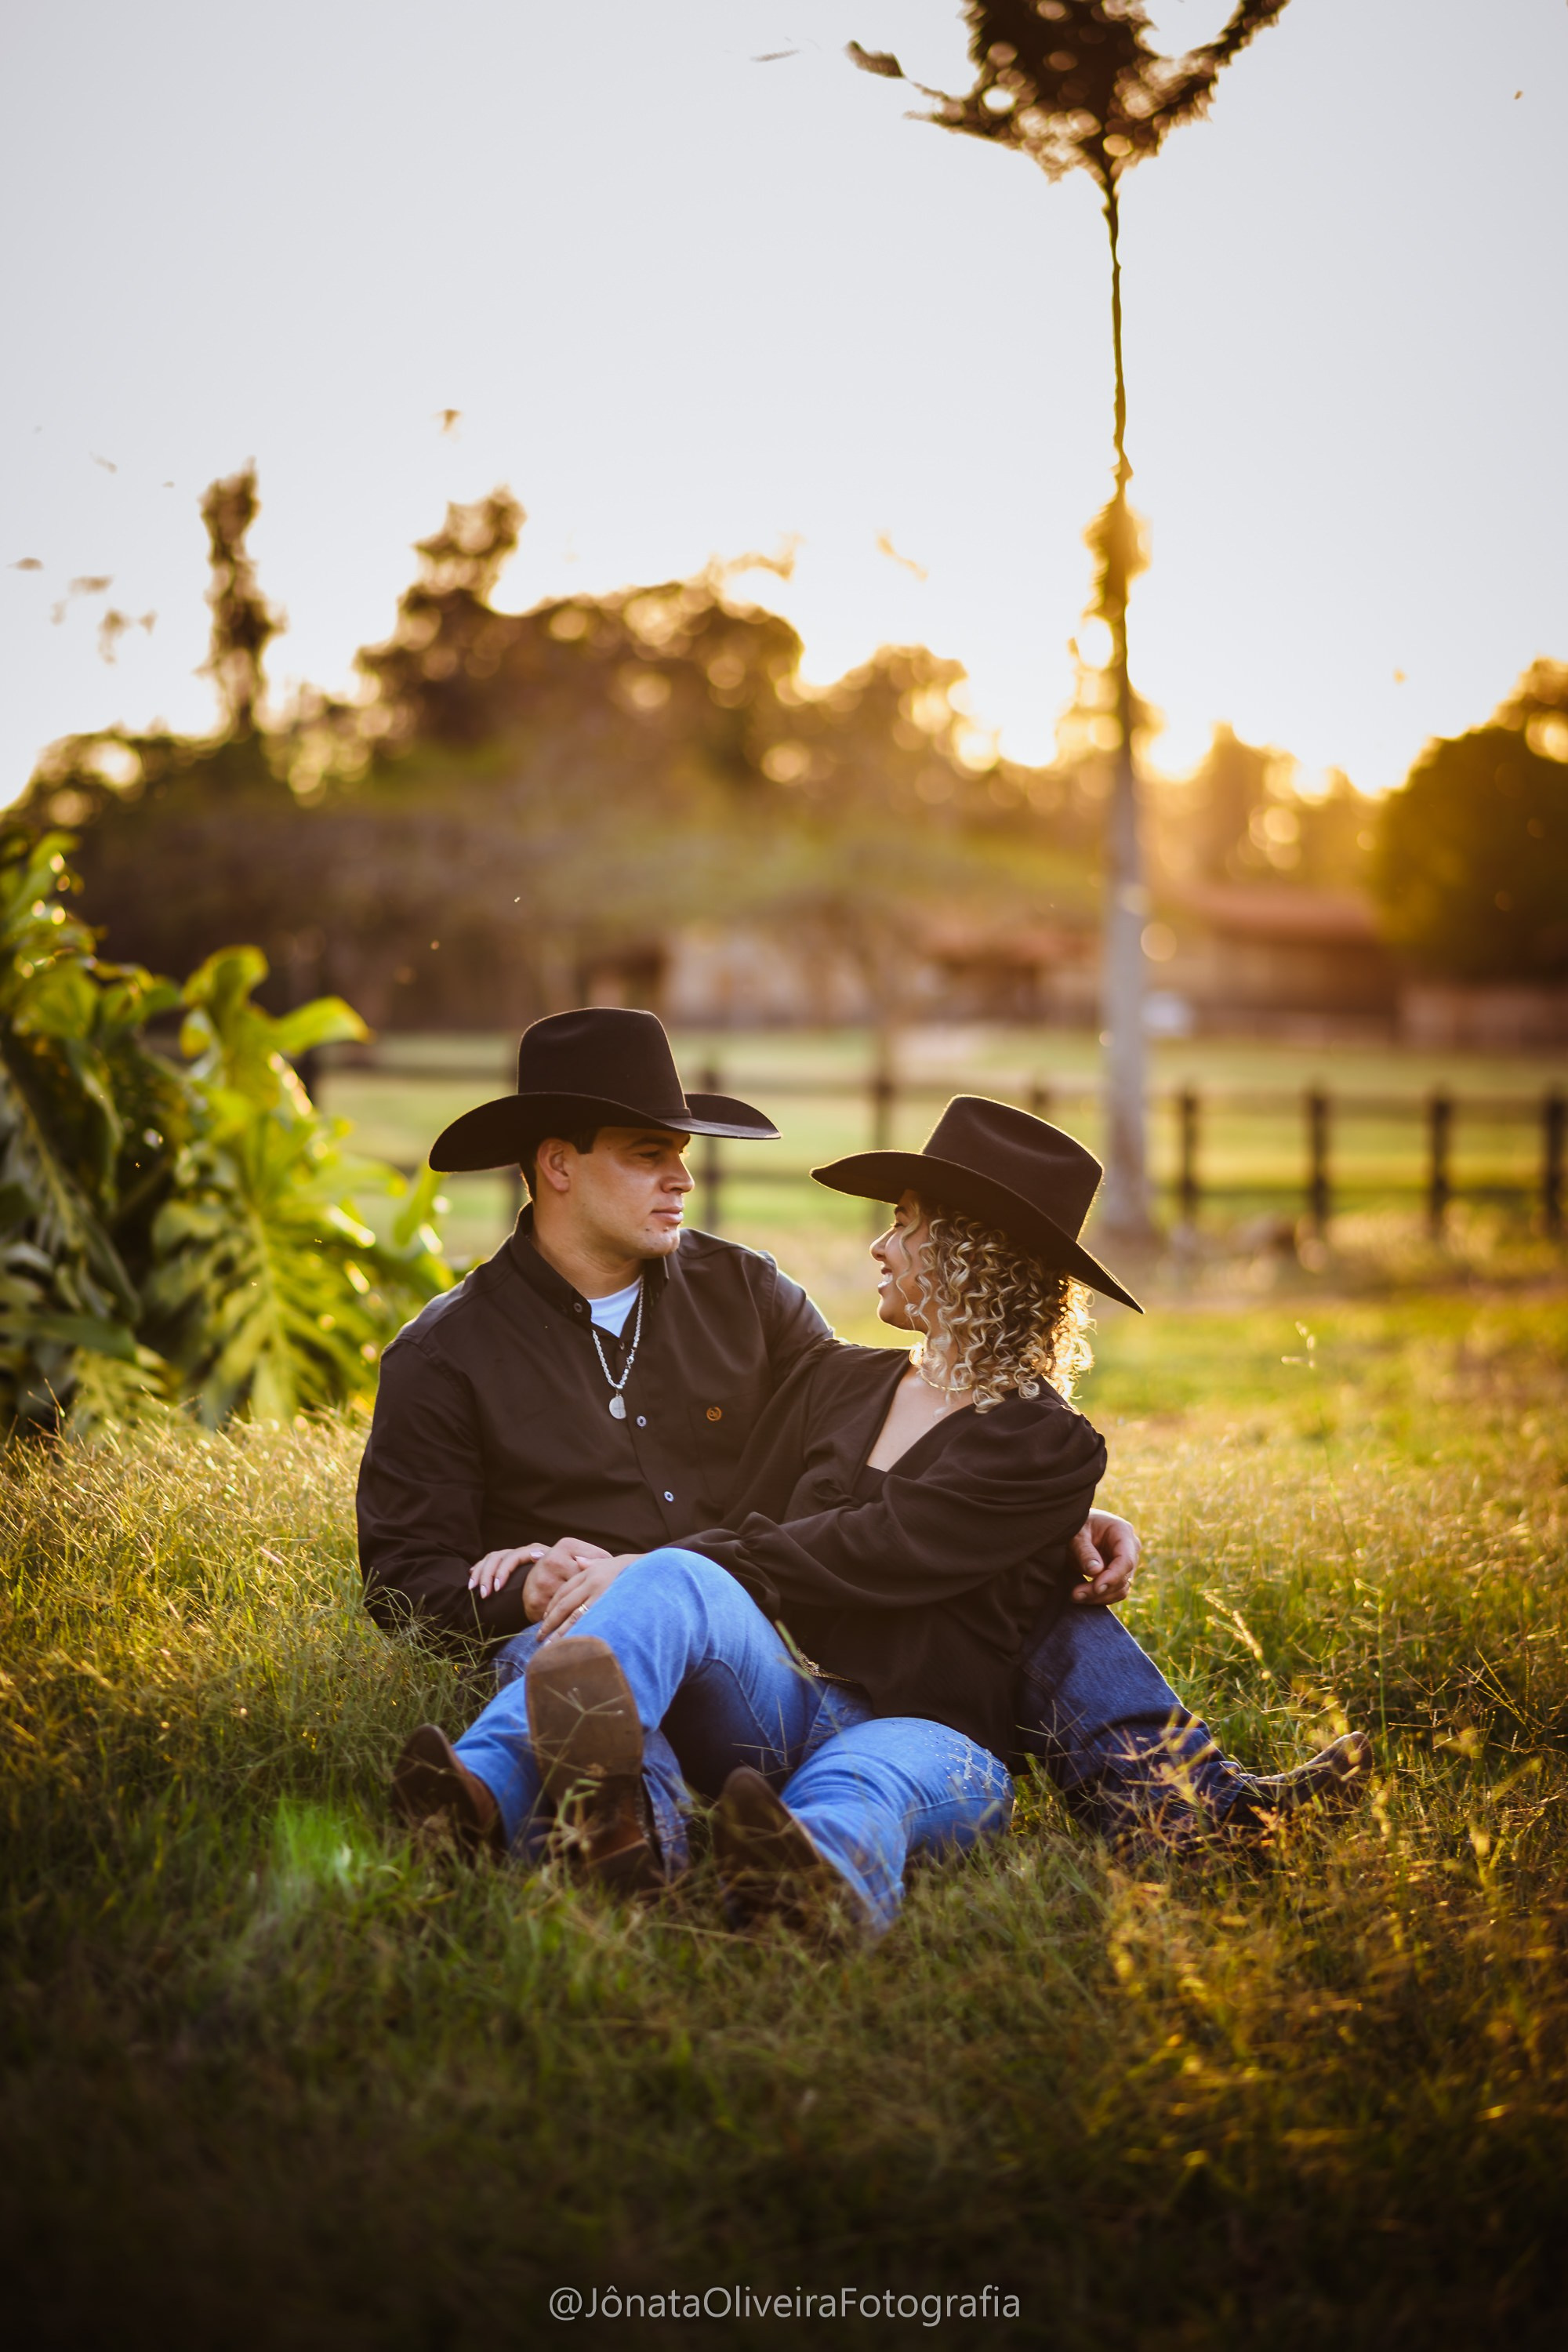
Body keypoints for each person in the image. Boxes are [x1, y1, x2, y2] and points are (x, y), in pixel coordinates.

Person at [359, 1009, 1364, 1848]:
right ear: (556, 1166)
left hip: (753, 1639)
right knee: (569, 1667)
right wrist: (529, 1584)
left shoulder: (745, 1295)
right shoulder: (443, 1355)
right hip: (569, 1625)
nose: (683, 1178)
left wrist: (1049, 1505)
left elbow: (893, 1447)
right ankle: (601, 1845)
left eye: (683, 1153)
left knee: (1012, 1589)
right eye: (648, 1153)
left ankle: (1197, 1811)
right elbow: (403, 1575)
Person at [392, 1097, 1123, 1935]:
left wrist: (1069, 1513)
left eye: (902, 1224)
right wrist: (559, 1564)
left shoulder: (1047, 1446)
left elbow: (874, 1544)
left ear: (970, 1255)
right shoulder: (840, 1383)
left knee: (860, 1781)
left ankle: (805, 1880)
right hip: (787, 1703)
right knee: (675, 1574)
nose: (879, 1246)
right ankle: (479, 1790)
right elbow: (736, 1494)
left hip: (935, 1737)